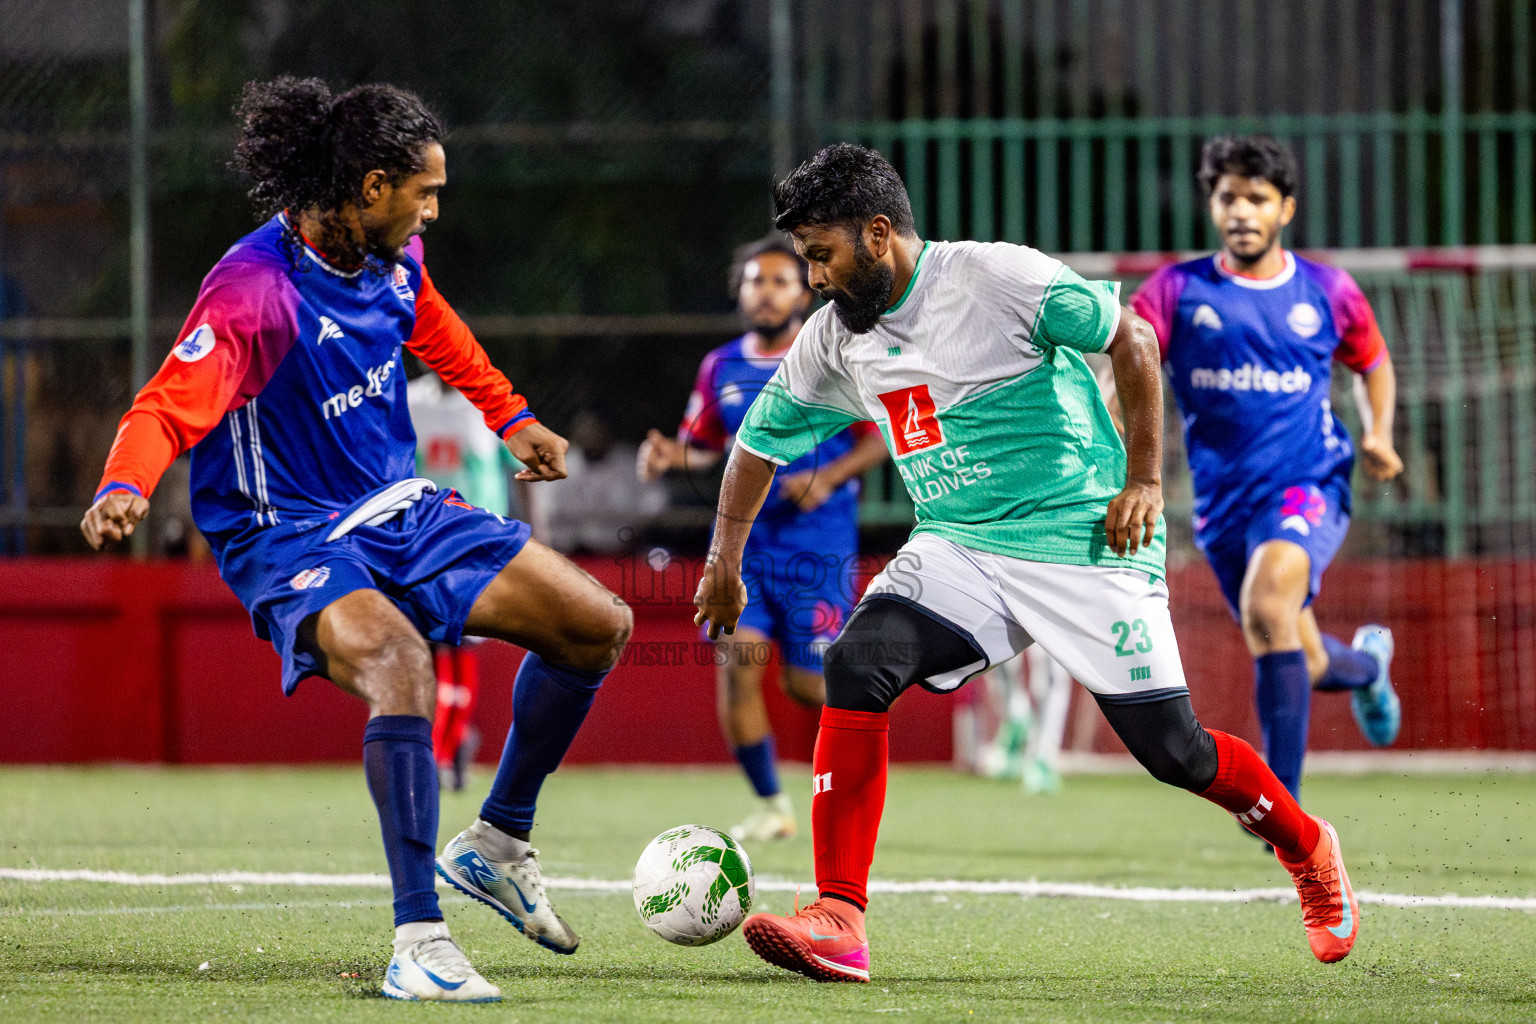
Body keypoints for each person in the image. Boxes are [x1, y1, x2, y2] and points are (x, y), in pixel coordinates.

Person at [693, 143, 1361, 983]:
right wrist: (725, 559)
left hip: (1083, 535)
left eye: (820, 256)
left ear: (876, 235)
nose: (812, 279)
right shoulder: (833, 339)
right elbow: (755, 445)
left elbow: (1135, 338)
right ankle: (839, 916)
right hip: (958, 543)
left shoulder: (995, 277)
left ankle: (1308, 847)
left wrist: (1145, 480)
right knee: (858, 664)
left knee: (1175, 753)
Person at [79, 77, 633, 1003]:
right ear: (371, 187)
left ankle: (496, 842)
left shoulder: (394, 260)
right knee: (399, 663)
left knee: (596, 623)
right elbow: (167, 403)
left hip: (394, 508)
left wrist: (513, 417)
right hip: (282, 529)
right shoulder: (257, 291)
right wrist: (125, 483)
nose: (434, 210)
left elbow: (439, 331)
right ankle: (418, 938)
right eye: (427, 191)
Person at [1130, 135, 1404, 806]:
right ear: (1213, 206)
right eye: (1229, 198)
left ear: (1285, 207)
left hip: (1311, 483)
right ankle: (1368, 668)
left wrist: (1379, 434)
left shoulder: (1327, 290)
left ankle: (1279, 809)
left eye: (1257, 198)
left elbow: (1373, 362)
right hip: (1224, 508)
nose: (1241, 211)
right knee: (1296, 651)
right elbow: (1127, 367)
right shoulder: (1176, 289)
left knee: (1267, 603)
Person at [640, 237, 887, 841]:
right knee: (737, 663)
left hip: (818, 546)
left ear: (804, 291)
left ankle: (866, 733)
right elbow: (711, 449)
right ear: (740, 290)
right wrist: (674, 455)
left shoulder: (831, 357)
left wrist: (826, 478)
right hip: (745, 544)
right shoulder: (720, 366)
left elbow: (880, 435)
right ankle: (773, 805)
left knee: (806, 683)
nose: (767, 292)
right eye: (756, 281)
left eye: (780, 281)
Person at [406, 369, 521, 791]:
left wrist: (537, 535)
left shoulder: (488, 401)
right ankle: (450, 746)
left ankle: (439, 752)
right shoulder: (408, 400)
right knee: (428, 653)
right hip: (418, 542)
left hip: (476, 544)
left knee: (457, 648)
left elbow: (522, 467)